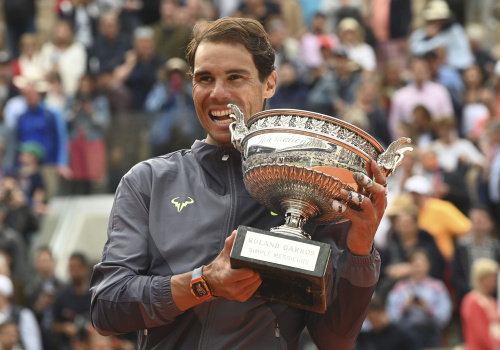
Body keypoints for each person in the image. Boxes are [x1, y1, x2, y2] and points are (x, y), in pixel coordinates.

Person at [90, 17, 388, 350]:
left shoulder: (311, 187)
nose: (218, 93)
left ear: (269, 83)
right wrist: (202, 284)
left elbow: (334, 339)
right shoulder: (148, 181)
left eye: (235, 77)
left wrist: (360, 250)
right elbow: (107, 306)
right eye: (205, 78)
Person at [386, 249, 452, 349]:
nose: (418, 266)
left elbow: (444, 317)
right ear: (408, 265)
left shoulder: (438, 287)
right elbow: (391, 317)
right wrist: (404, 307)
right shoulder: (399, 288)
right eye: (414, 263)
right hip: (405, 335)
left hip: (430, 333)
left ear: (429, 265)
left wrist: (428, 308)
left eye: (422, 263)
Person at [461, 258, 500, 350]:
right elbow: (480, 332)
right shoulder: (472, 301)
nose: (494, 283)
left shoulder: (493, 301)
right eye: (491, 279)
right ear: (481, 279)